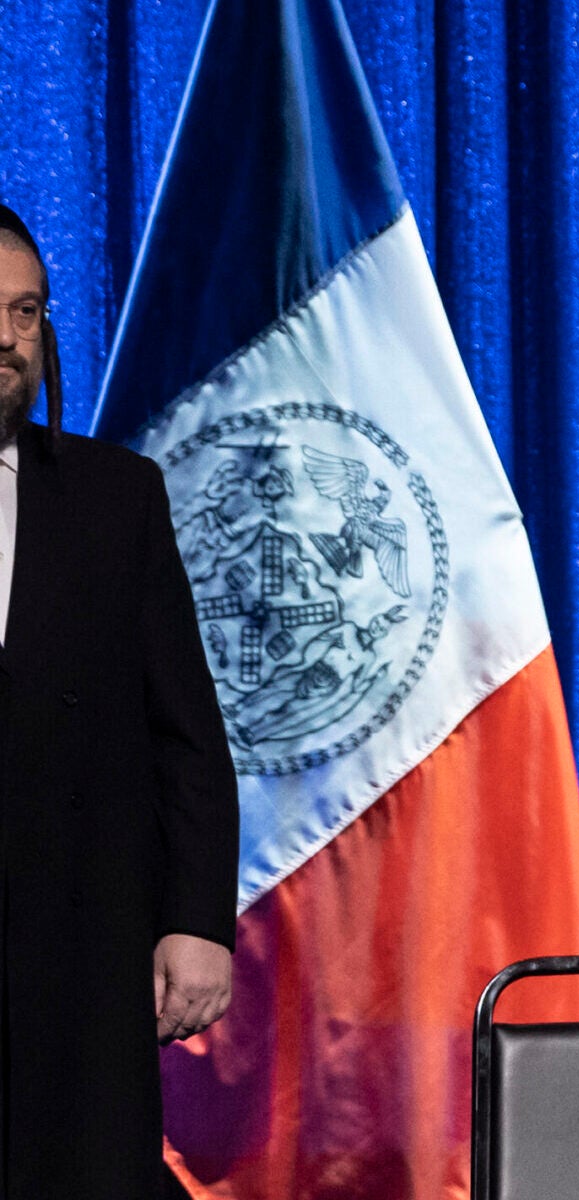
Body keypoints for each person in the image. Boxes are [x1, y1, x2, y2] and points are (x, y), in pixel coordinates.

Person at [0, 203, 239, 1195]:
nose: (7, 338)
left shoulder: (115, 496)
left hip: (80, 960)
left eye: (25, 313)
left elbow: (185, 732)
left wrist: (197, 921)